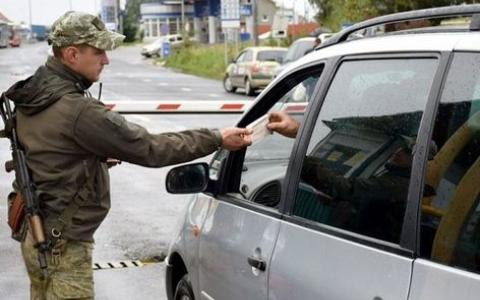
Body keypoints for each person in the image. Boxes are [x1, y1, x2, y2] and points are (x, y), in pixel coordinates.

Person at [4, 11, 251, 299]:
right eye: (98, 52)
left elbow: (49, 152)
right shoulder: (77, 110)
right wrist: (217, 138)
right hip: (63, 245)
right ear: (71, 54)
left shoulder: (33, 94)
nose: (106, 60)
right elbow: (151, 148)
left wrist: (90, 158)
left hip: (34, 233)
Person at [267, 111, 436, 242]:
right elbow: (367, 201)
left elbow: (349, 189)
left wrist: (304, 161)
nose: (398, 152)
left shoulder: (397, 185)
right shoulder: (397, 179)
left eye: (406, 151)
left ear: (419, 162)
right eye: (400, 147)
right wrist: (337, 202)